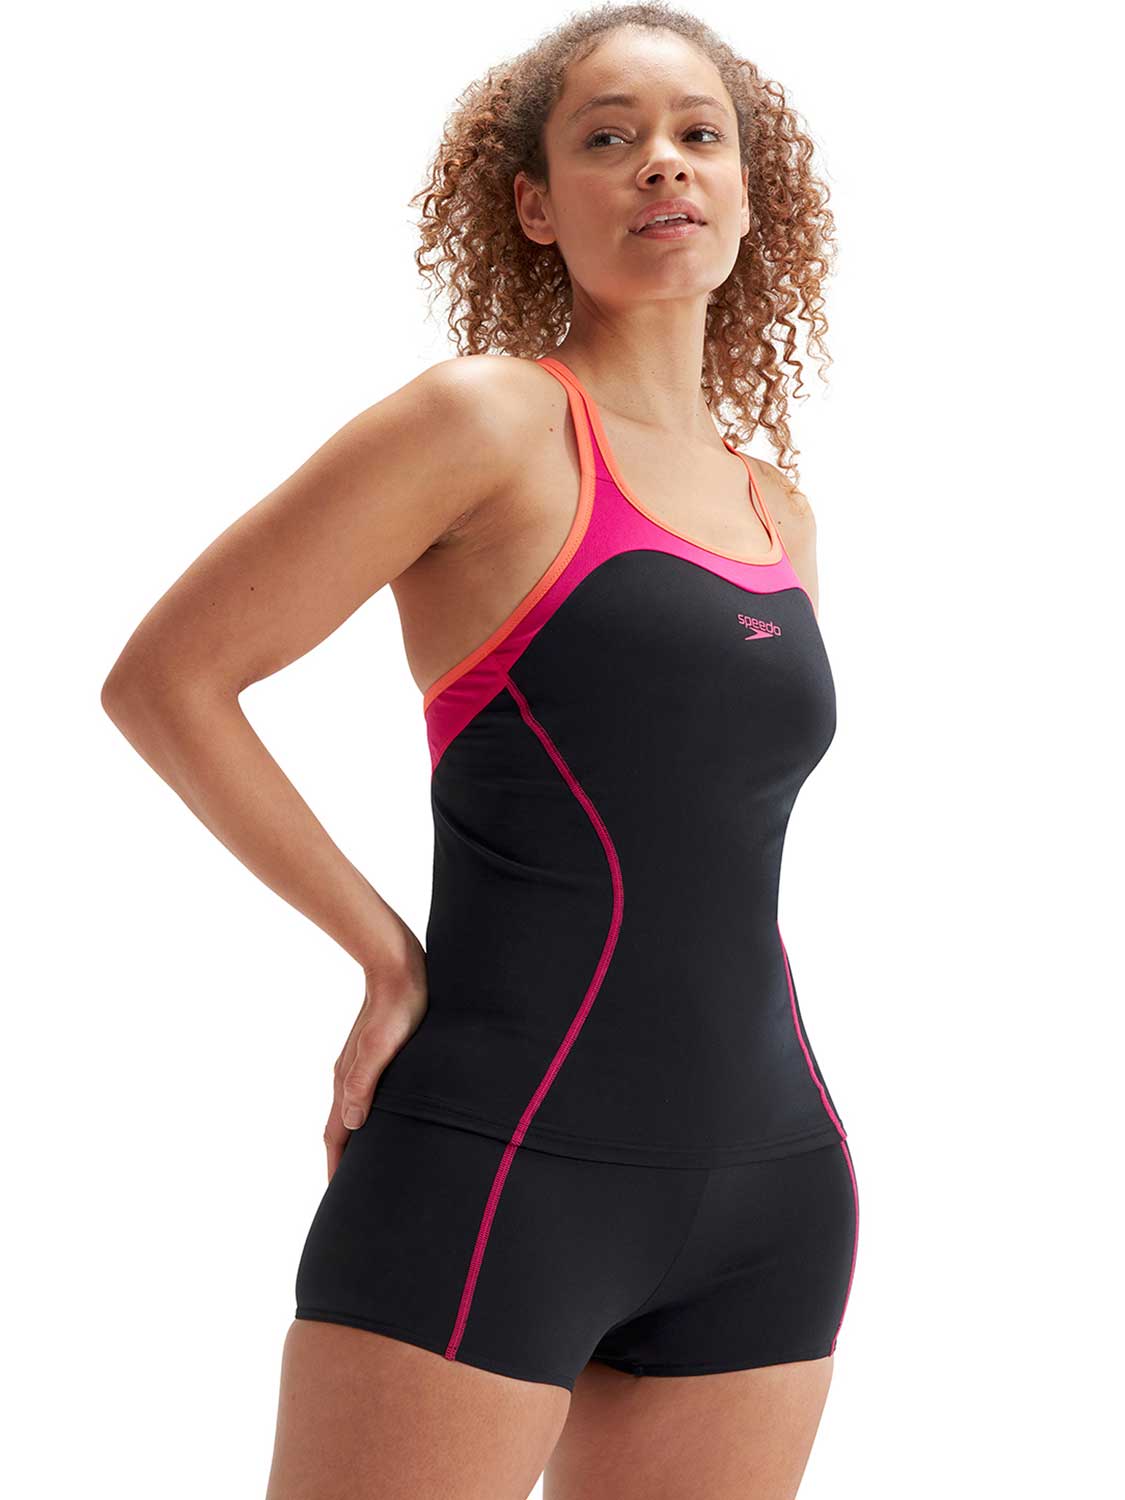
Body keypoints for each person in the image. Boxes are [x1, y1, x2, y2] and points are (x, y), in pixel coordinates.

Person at [102, 4, 859, 1496]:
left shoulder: (775, 509)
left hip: (774, 1186)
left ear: (747, 193)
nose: (662, 163)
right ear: (534, 204)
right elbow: (168, 682)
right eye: (608, 137)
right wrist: (385, 957)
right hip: (497, 1164)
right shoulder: (488, 422)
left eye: (699, 135)